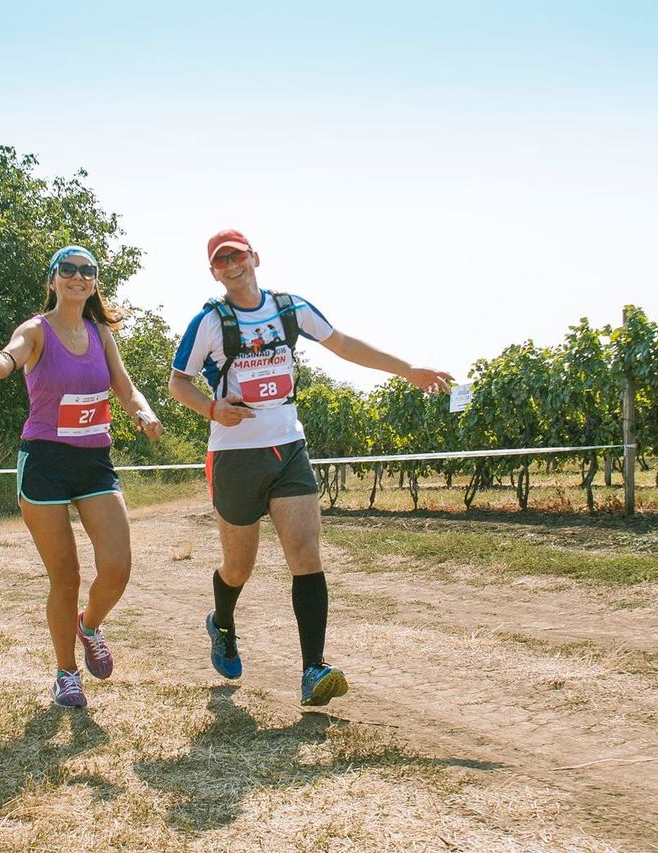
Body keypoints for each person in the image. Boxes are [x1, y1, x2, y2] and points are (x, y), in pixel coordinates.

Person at [168, 229, 452, 706]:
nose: (232, 266)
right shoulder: (210, 323)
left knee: (306, 555)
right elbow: (179, 382)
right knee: (239, 568)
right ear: (213, 271)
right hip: (235, 457)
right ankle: (222, 622)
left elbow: (343, 345)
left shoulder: (290, 308)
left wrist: (407, 369)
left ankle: (312, 670)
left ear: (255, 257)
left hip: (288, 448)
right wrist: (212, 410)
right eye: (221, 262)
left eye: (238, 256)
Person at [0, 245, 163, 709]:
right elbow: (6, 361)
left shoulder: (99, 333)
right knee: (66, 576)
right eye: (68, 269)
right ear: (53, 279)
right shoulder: (35, 330)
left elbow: (126, 388)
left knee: (117, 567)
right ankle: (65, 674)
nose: (78, 276)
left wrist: (143, 412)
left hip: (94, 462)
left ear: (94, 281)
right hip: (45, 464)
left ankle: (89, 626)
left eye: (87, 270)